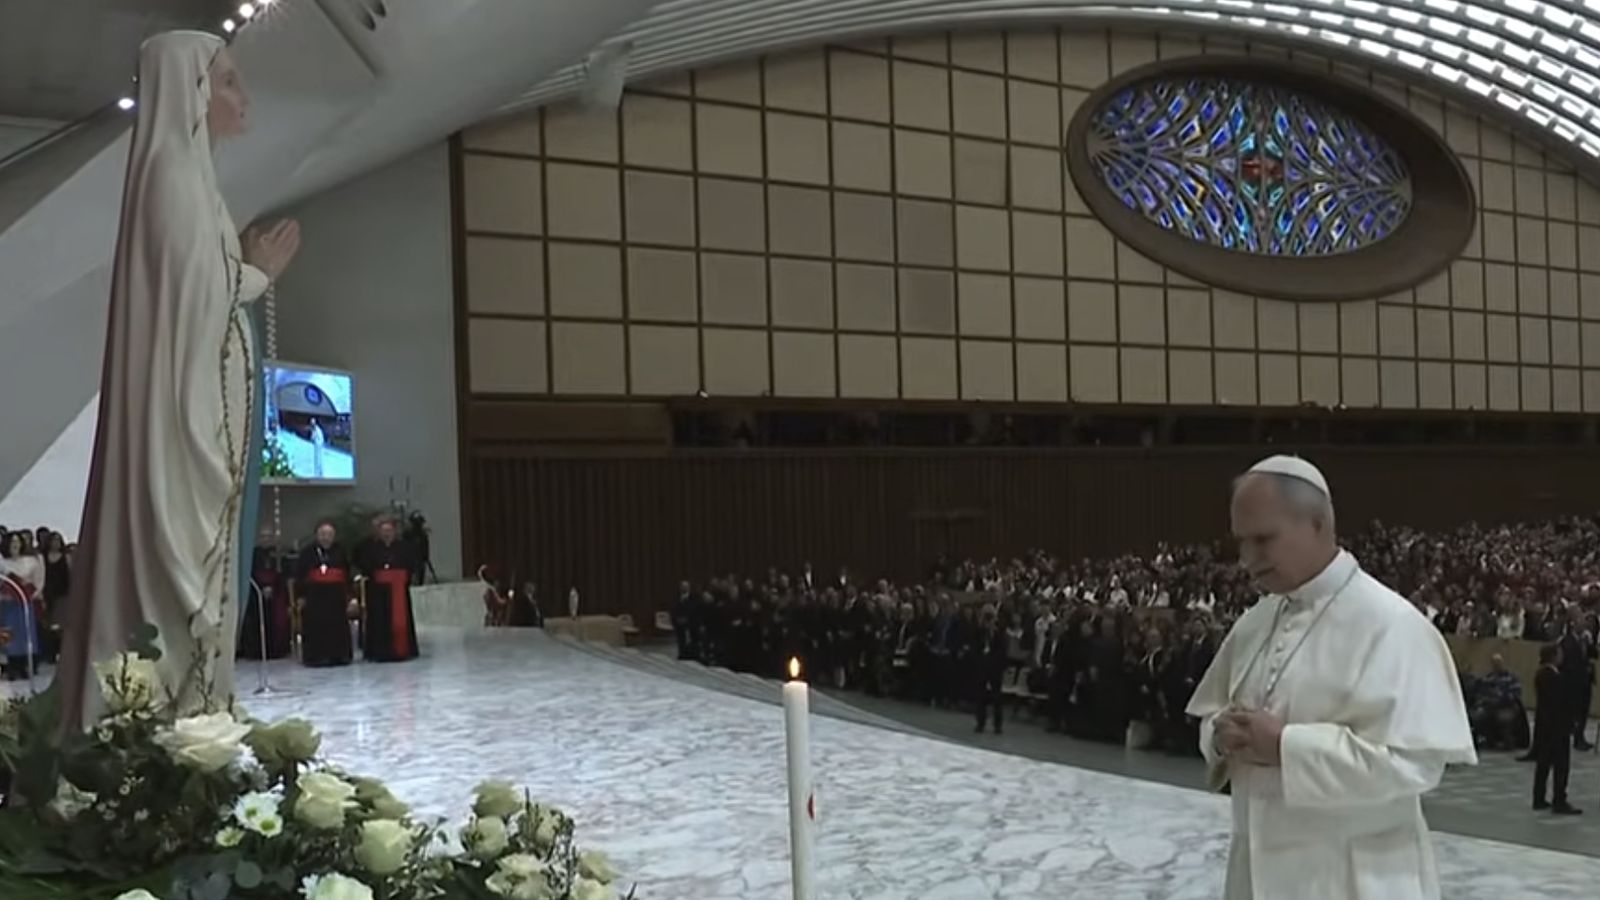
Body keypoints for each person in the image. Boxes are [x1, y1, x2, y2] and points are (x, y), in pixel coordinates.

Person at [54, 30, 301, 726]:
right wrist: (256, 273)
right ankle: (157, 737)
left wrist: (243, 271)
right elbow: (198, 296)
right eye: (227, 82)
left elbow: (203, 290)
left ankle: (190, 726)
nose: (242, 96)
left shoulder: (197, 183)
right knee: (174, 596)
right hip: (179, 436)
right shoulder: (172, 177)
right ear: (189, 94)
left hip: (197, 425)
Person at [1187, 455, 1476, 900]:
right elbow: (1211, 713)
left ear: (1318, 524)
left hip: (1353, 878)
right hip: (1255, 875)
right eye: (1241, 542)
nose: (1247, 559)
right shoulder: (1255, 621)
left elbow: (1415, 763)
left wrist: (1286, 746)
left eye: (1263, 539)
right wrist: (1222, 735)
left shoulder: (1392, 624)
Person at [354, 516, 419, 662]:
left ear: (395, 532)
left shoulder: (404, 546)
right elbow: (363, 563)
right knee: (378, 620)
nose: (387, 534)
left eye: (389, 530)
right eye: (383, 531)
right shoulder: (370, 547)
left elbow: (412, 564)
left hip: (398, 590)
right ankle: (379, 652)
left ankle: (403, 650)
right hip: (378, 592)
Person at [1532, 642, 1581, 815]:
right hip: (1557, 726)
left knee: (1544, 763)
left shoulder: (1544, 674)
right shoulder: (1551, 676)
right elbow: (1559, 702)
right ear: (1553, 656)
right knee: (1560, 764)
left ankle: (1539, 797)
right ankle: (1559, 799)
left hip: (1547, 726)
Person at [296, 523, 352, 668]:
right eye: (323, 534)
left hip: (336, 595)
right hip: (314, 596)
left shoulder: (340, 551)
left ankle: (339, 656)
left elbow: (347, 574)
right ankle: (316, 657)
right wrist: (301, 596)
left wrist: (351, 597)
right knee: (315, 624)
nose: (326, 538)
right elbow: (300, 575)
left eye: (329, 535)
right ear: (317, 535)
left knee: (337, 625)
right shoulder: (307, 552)